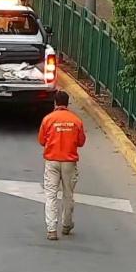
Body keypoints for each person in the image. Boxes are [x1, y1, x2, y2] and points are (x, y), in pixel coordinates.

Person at [38, 90, 86, 240]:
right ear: (67, 103)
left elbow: (41, 141)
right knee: (68, 195)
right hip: (69, 162)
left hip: (52, 161)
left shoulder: (48, 119)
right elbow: (81, 142)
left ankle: (51, 229)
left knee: (51, 195)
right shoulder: (76, 120)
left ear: (55, 103)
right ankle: (66, 224)